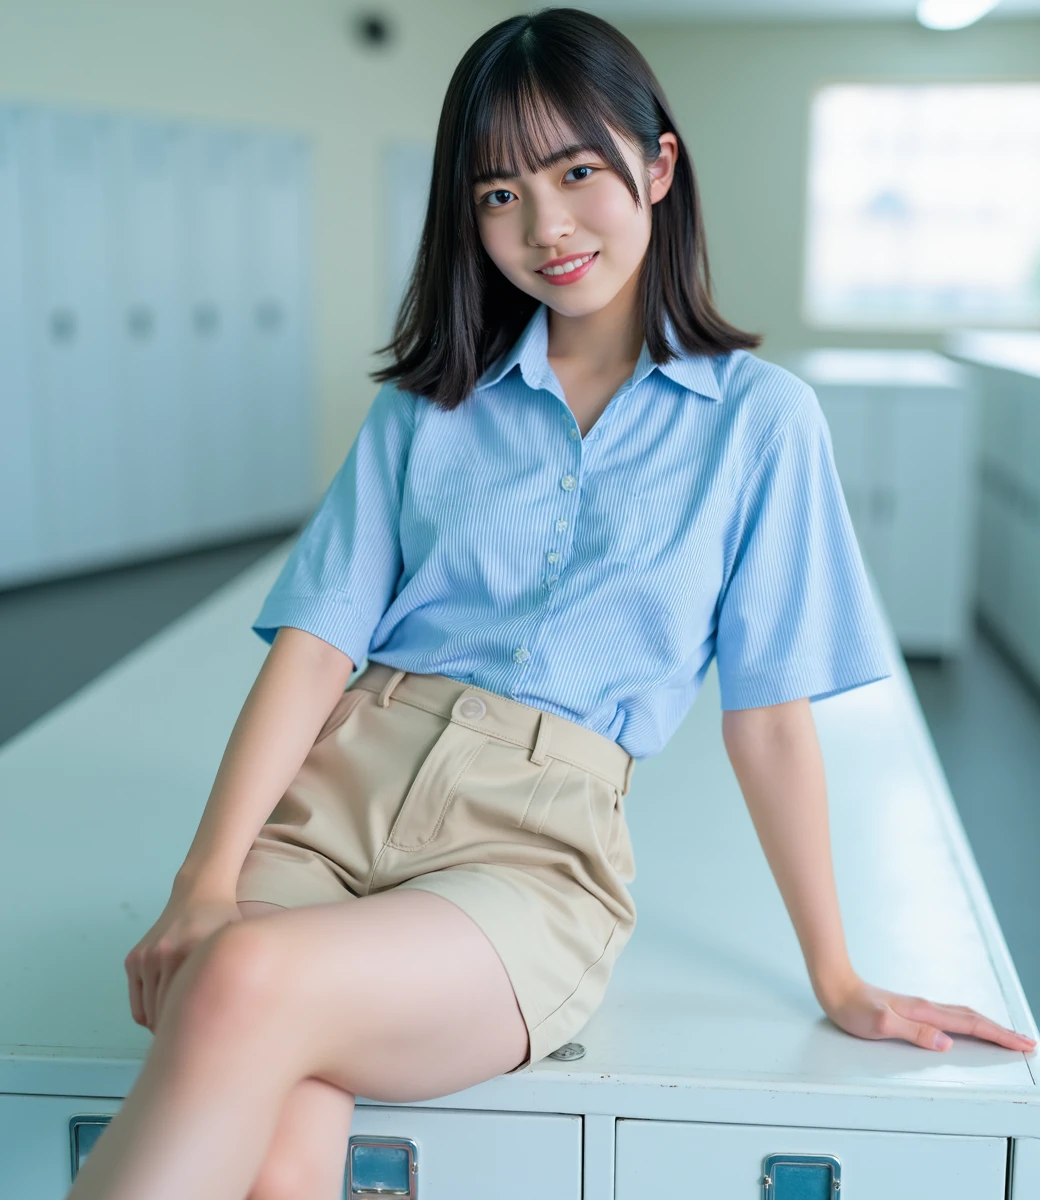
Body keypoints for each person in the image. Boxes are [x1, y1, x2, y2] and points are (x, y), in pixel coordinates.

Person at [66, 7, 1037, 1200]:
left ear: (657, 166)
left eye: (576, 172)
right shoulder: (428, 407)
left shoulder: (759, 423)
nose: (544, 226)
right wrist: (203, 882)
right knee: (281, 1132)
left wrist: (835, 976)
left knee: (243, 983)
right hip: (331, 805)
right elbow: (316, 646)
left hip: (528, 857)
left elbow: (770, 719)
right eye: (498, 193)